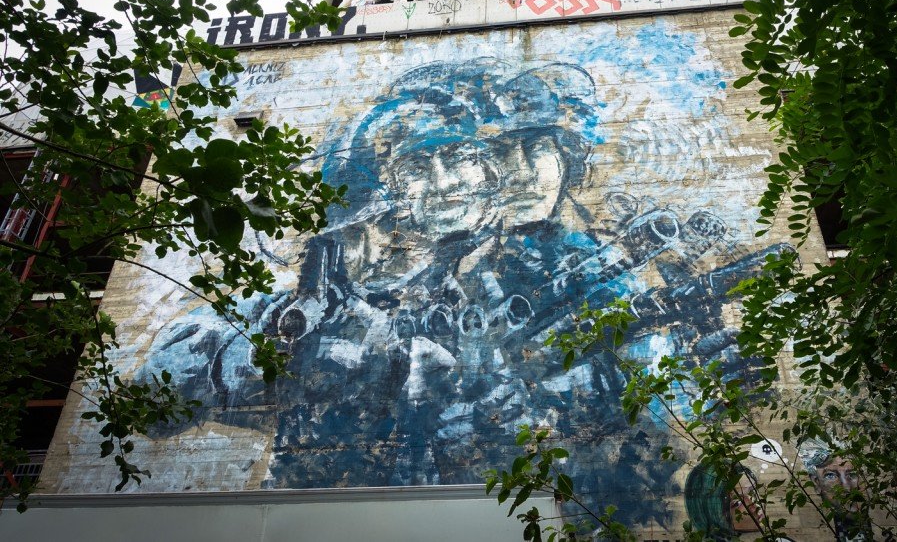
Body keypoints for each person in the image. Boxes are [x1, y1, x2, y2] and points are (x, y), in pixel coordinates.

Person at [142, 58, 788, 527]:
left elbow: (634, 426)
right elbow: (149, 398)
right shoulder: (333, 292)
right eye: (419, 166)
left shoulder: (539, 289)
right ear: (390, 184)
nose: (447, 181)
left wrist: (700, 391)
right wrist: (279, 349)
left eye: (462, 158)